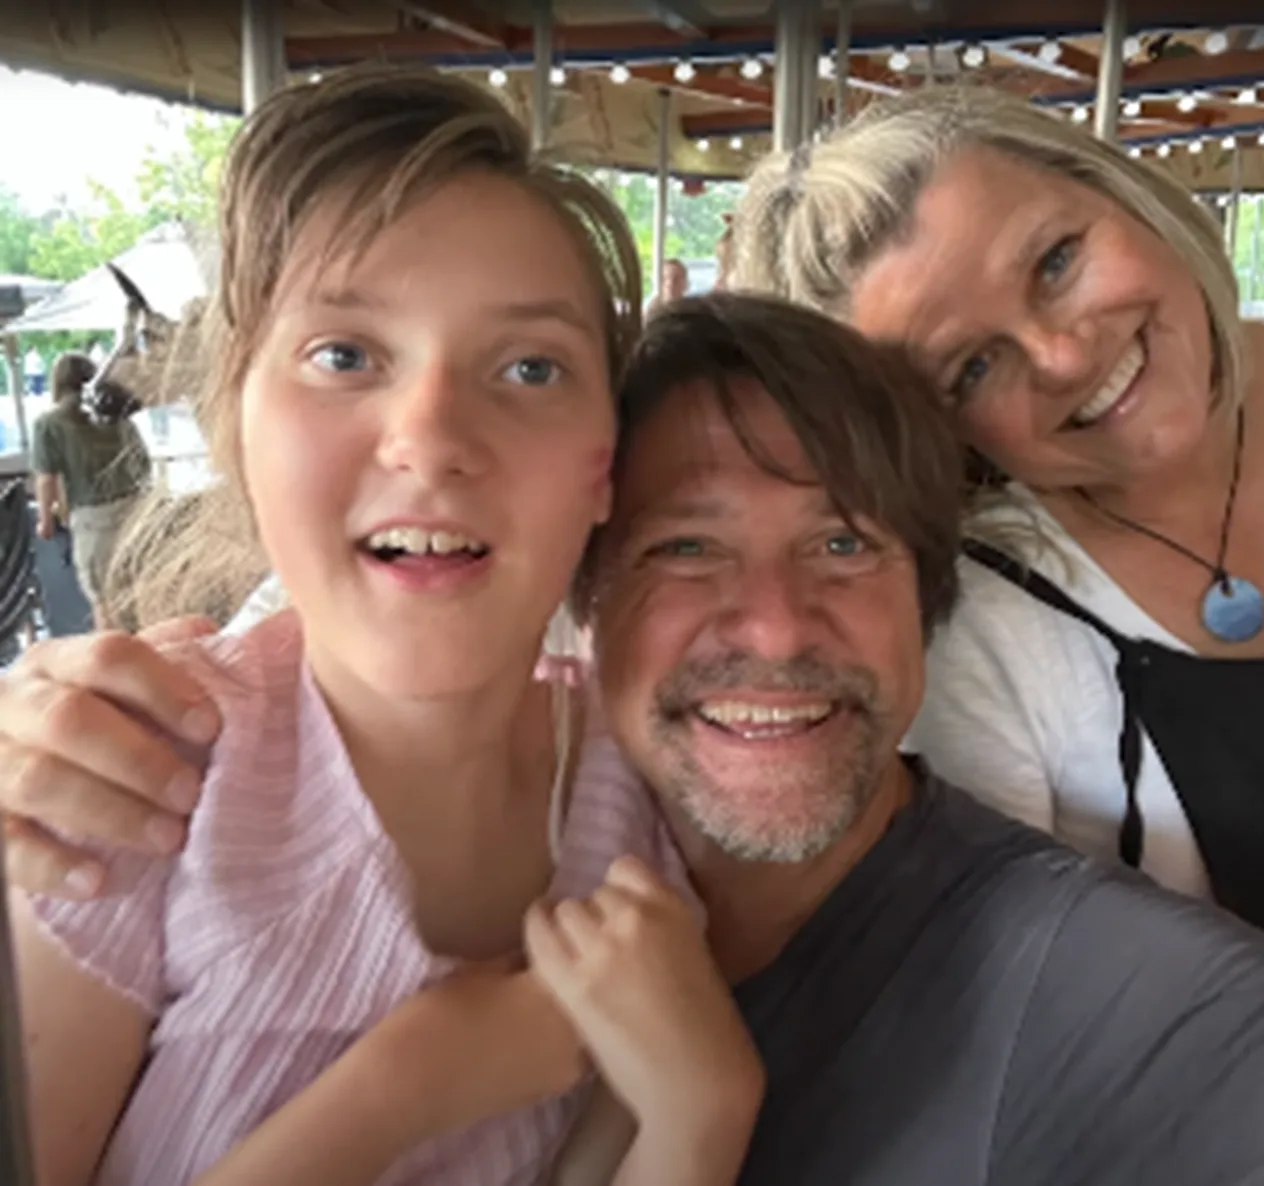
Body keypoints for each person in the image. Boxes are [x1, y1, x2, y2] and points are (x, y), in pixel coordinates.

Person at [7, 294, 1264, 1185]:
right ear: (574, 601)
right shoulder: (466, 861)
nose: (772, 625)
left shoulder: (1103, 995)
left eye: (842, 542)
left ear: (923, 595)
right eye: (685, 546)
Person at [1, 67, 761, 1186]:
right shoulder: (126, 776)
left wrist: (705, 1114)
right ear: (237, 426)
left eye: (530, 366)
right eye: (344, 355)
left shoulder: (639, 809)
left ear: (606, 466)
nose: (432, 437)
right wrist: (406, 1085)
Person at [734, 84, 1264, 988]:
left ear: (1121, 192)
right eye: (973, 366)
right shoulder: (978, 628)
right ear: (941, 436)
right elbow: (1033, 1018)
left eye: (1057, 261)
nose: (1062, 357)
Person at [30, 352, 150, 628]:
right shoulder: (117, 416)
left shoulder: (50, 424)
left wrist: (45, 521)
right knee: (136, 596)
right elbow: (142, 462)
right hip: (136, 511)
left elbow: (46, 479)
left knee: (104, 602)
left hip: (94, 520)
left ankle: (115, 663)